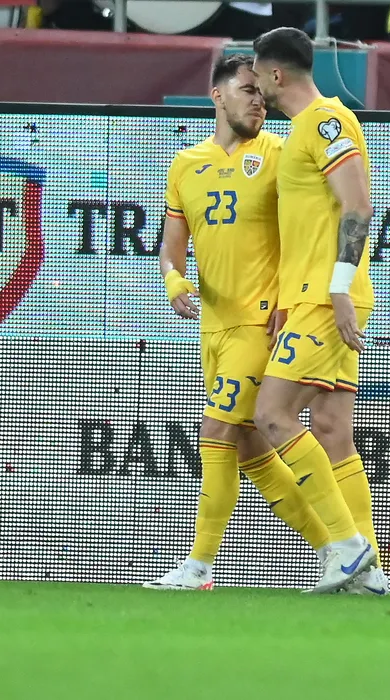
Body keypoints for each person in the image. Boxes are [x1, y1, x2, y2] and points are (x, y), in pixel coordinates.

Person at [146, 53, 333, 591]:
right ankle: (337, 551)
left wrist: (292, 299)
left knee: (217, 432)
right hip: (214, 327)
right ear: (218, 96)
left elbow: (310, 230)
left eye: (262, 93)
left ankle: (199, 566)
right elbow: (171, 249)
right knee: (249, 450)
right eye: (248, 91)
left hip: (260, 323)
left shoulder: (279, 154)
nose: (259, 101)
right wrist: (174, 280)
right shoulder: (185, 165)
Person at [251, 27, 386, 595]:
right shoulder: (302, 131)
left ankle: (346, 548)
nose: (254, 84)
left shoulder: (327, 121)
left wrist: (336, 289)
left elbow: (358, 204)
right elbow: (307, 226)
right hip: (309, 297)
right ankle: (369, 573)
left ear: (276, 73)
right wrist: (287, 302)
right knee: (331, 430)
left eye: (256, 72)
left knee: (272, 415)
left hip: (328, 298)